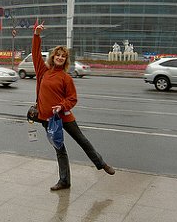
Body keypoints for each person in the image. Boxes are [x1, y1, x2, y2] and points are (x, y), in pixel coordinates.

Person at [32, 23, 115, 191]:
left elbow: (72, 98)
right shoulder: (43, 71)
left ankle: (101, 163)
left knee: (82, 141)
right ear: (53, 57)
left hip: (64, 116)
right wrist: (36, 35)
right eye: (58, 55)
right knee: (59, 149)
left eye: (63, 56)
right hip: (48, 119)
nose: (60, 57)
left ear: (66, 60)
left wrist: (61, 106)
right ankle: (64, 181)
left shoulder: (66, 78)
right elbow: (35, 54)